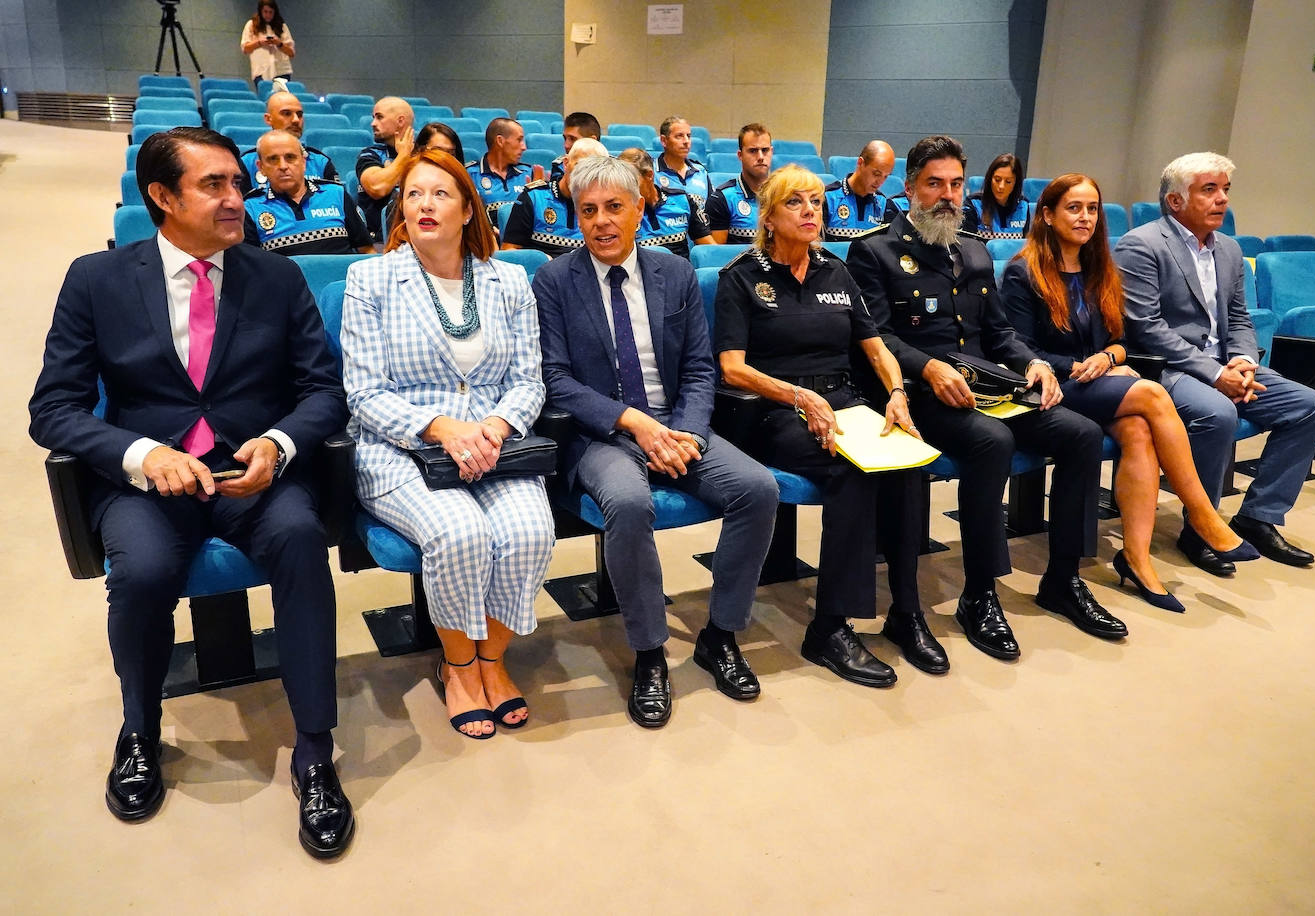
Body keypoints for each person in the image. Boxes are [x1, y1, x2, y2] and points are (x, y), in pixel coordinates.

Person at [28, 127, 352, 856]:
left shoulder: (274, 277)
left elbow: (322, 391)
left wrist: (279, 441)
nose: (237, 198)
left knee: (302, 543)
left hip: (253, 474)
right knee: (140, 572)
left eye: (239, 183)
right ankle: (139, 729)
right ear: (162, 197)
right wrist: (142, 455)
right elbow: (52, 408)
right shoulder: (97, 280)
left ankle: (314, 750)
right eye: (215, 186)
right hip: (149, 481)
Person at [848, 135, 1127, 660]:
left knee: (1082, 435)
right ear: (910, 189)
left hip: (984, 385)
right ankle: (979, 593)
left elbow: (999, 334)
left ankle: (1063, 578)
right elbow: (875, 338)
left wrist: (1034, 364)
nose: (947, 195)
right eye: (934, 184)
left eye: (956, 184)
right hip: (918, 391)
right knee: (991, 441)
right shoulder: (875, 251)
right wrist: (928, 367)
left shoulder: (974, 249)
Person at [534, 156, 779, 728]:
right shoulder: (553, 280)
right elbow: (557, 380)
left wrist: (687, 435)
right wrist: (635, 425)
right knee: (629, 502)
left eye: (614, 208)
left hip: (677, 423)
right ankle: (649, 653)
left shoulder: (675, 273)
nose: (601, 222)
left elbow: (698, 369)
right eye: (588, 210)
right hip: (600, 434)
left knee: (757, 489)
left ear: (640, 210)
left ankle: (720, 636)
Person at [342, 149, 554, 739]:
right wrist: (439, 428)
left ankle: (493, 660)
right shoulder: (371, 279)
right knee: (462, 534)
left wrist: (497, 427)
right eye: (412, 195)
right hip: (401, 446)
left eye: (440, 193)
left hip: (494, 442)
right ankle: (458, 667)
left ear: (467, 209)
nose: (424, 204)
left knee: (530, 533)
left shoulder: (509, 279)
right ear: (400, 212)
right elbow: (363, 393)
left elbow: (528, 380)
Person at [715, 165, 938, 683]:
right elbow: (731, 366)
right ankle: (830, 628)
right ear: (768, 217)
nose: (811, 211)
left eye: (815, 201)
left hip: (844, 398)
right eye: (796, 203)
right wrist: (798, 395)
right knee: (854, 470)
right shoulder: (741, 277)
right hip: (777, 409)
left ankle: (907, 612)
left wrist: (897, 394)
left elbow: (875, 345)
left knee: (908, 464)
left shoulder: (835, 270)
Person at [1002, 173, 1258, 612]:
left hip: (1099, 380)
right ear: (1047, 215)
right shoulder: (1022, 272)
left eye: (1092, 208)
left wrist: (1110, 357)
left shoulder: (1099, 268)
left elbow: (1122, 340)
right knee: (1154, 397)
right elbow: (1020, 350)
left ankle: (1137, 560)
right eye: (1073, 208)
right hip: (1050, 386)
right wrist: (1088, 365)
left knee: (1139, 430)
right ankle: (1201, 513)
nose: (1085, 217)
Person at [1116, 152, 1315, 570]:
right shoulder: (1141, 245)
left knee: (1309, 406)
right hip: (1168, 368)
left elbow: (1239, 318)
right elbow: (1147, 327)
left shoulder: (1228, 249)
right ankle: (1201, 524)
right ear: (1175, 201)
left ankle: (1258, 517)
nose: (1222, 200)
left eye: (1225, 190)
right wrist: (1215, 374)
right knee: (1217, 413)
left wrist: (1245, 362)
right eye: (1209, 190)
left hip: (1226, 364)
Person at [243, 130, 375, 256]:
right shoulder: (251, 208)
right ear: (261, 168)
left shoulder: (336, 194)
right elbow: (250, 267)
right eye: (273, 159)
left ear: (303, 162)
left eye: (290, 157)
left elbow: (367, 251)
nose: (283, 166)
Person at [501, 137, 606, 256]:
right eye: (579, 167)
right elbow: (509, 252)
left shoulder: (603, 207)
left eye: (592, 172)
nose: (583, 176)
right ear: (566, 163)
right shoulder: (533, 197)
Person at [618, 148, 714, 259]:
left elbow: (709, 250)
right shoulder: (619, 212)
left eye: (631, 181)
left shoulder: (682, 200)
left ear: (649, 175)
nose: (625, 188)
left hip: (680, 273)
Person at [240, 91, 338, 190]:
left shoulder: (321, 162)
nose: (296, 120)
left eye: (299, 115)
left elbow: (336, 200)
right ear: (268, 119)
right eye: (287, 114)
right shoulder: (247, 162)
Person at [355, 97, 415, 243]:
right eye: (373, 117)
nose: (373, 123)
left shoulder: (423, 155)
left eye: (379, 117)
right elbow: (377, 188)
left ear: (400, 121)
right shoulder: (370, 154)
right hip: (380, 242)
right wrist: (404, 155)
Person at [706, 123, 773, 245]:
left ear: (771, 151)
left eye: (765, 150)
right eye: (753, 151)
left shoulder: (785, 195)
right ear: (740, 155)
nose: (760, 157)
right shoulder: (721, 199)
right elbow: (716, 256)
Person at [822, 140, 895, 241]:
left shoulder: (882, 203)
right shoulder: (828, 197)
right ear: (860, 163)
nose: (880, 182)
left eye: (885, 177)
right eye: (876, 174)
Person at [467, 117, 535, 226]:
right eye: (519, 140)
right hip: (485, 241)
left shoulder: (529, 173)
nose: (524, 147)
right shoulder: (470, 174)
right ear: (500, 141)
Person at [961, 153, 1032, 240]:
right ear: (990, 179)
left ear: (1016, 183)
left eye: (1008, 181)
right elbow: (967, 246)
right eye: (997, 180)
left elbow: (1025, 244)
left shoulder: (1024, 205)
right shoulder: (973, 203)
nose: (1001, 186)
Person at [655, 116, 711, 206]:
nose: (686, 141)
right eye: (679, 136)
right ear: (664, 140)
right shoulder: (651, 172)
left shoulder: (701, 172)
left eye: (688, 136)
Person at [240, 1, 294, 85]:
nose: (268, 15)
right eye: (265, 12)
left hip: (281, 71)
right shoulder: (251, 25)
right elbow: (245, 49)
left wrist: (278, 43)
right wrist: (259, 43)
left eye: (271, 12)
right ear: (260, 11)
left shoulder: (282, 26)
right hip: (261, 71)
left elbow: (291, 53)